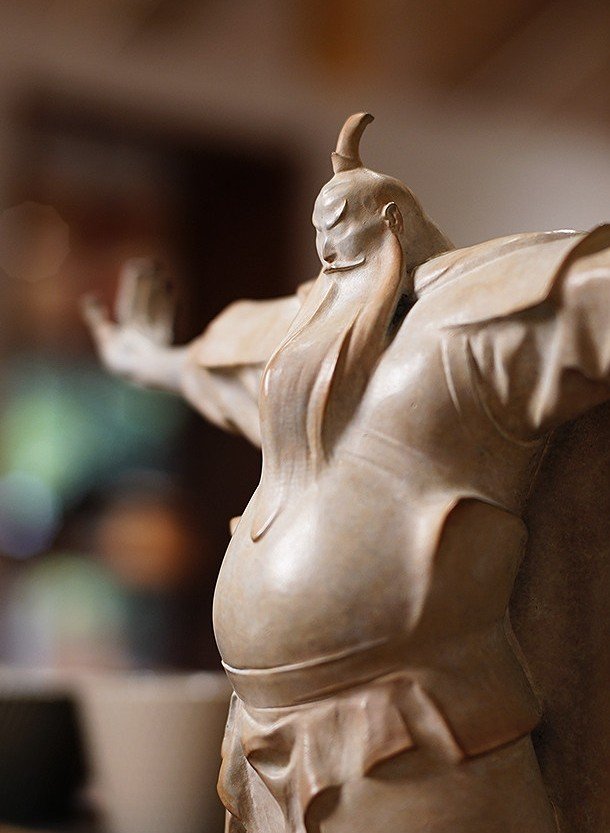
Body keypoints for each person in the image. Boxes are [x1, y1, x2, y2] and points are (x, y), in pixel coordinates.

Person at [84, 114, 610, 833]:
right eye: (321, 236)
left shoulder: (474, 324)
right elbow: (224, 367)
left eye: (343, 230)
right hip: (266, 738)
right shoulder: (305, 366)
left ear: (393, 221)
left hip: (418, 734)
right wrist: (149, 361)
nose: (330, 252)